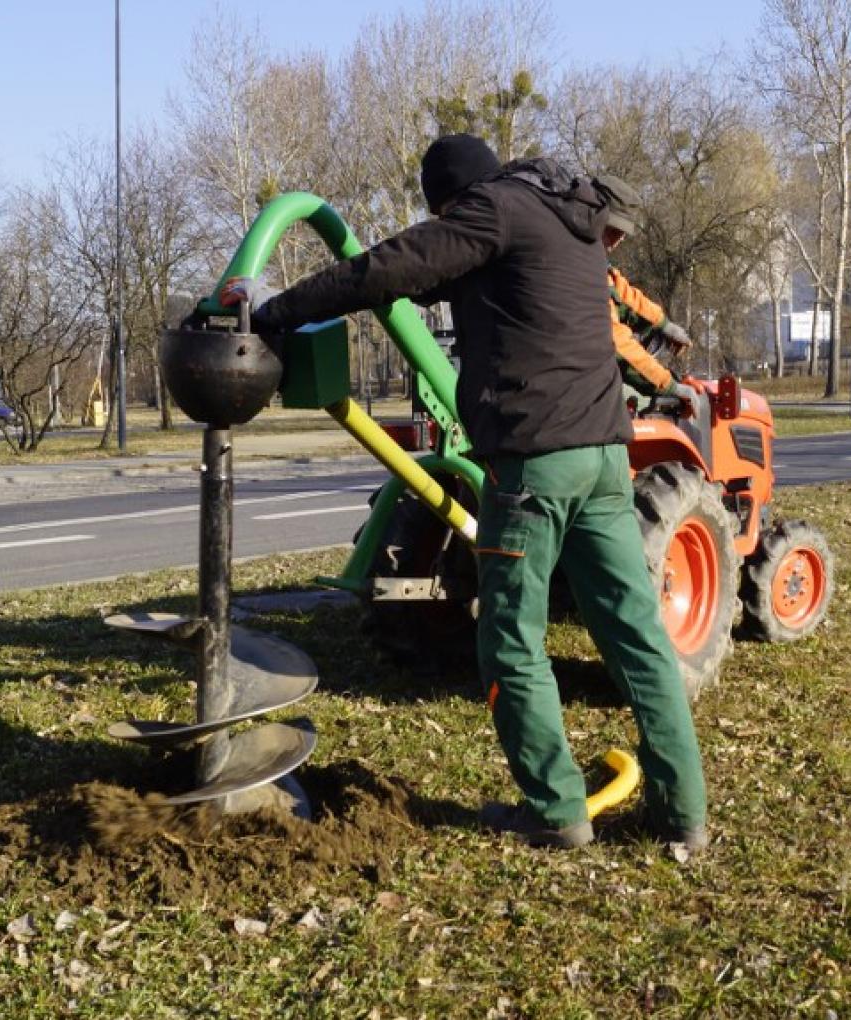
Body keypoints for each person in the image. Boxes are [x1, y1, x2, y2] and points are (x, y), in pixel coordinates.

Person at [222, 135, 708, 852]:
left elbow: (388, 267)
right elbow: (433, 282)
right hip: (606, 459)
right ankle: (684, 815)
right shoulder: (565, 225)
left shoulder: (492, 212)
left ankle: (555, 811)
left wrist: (272, 312)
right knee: (636, 637)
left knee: (512, 641)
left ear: (451, 198)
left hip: (535, 466)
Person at [588, 174, 696, 401]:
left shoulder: (587, 255)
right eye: (615, 230)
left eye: (623, 232)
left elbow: (618, 292)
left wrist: (661, 324)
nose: (621, 239)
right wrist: (669, 387)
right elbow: (613, 342)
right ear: (594, 218)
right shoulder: (576, 266)